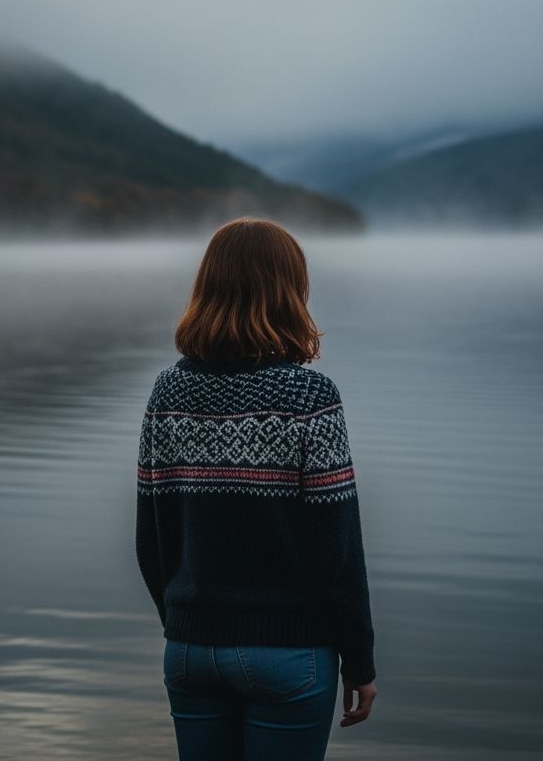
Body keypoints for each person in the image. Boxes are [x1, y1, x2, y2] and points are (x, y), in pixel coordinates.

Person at [136, 216, 378, 760]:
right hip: (288, 652)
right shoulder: (310, 397)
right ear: (290, 291)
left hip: (191, 650)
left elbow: (151, 536)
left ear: (208, 287)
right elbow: (336, 548)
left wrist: (187, 626)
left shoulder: (168, 391)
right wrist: (359, 660)